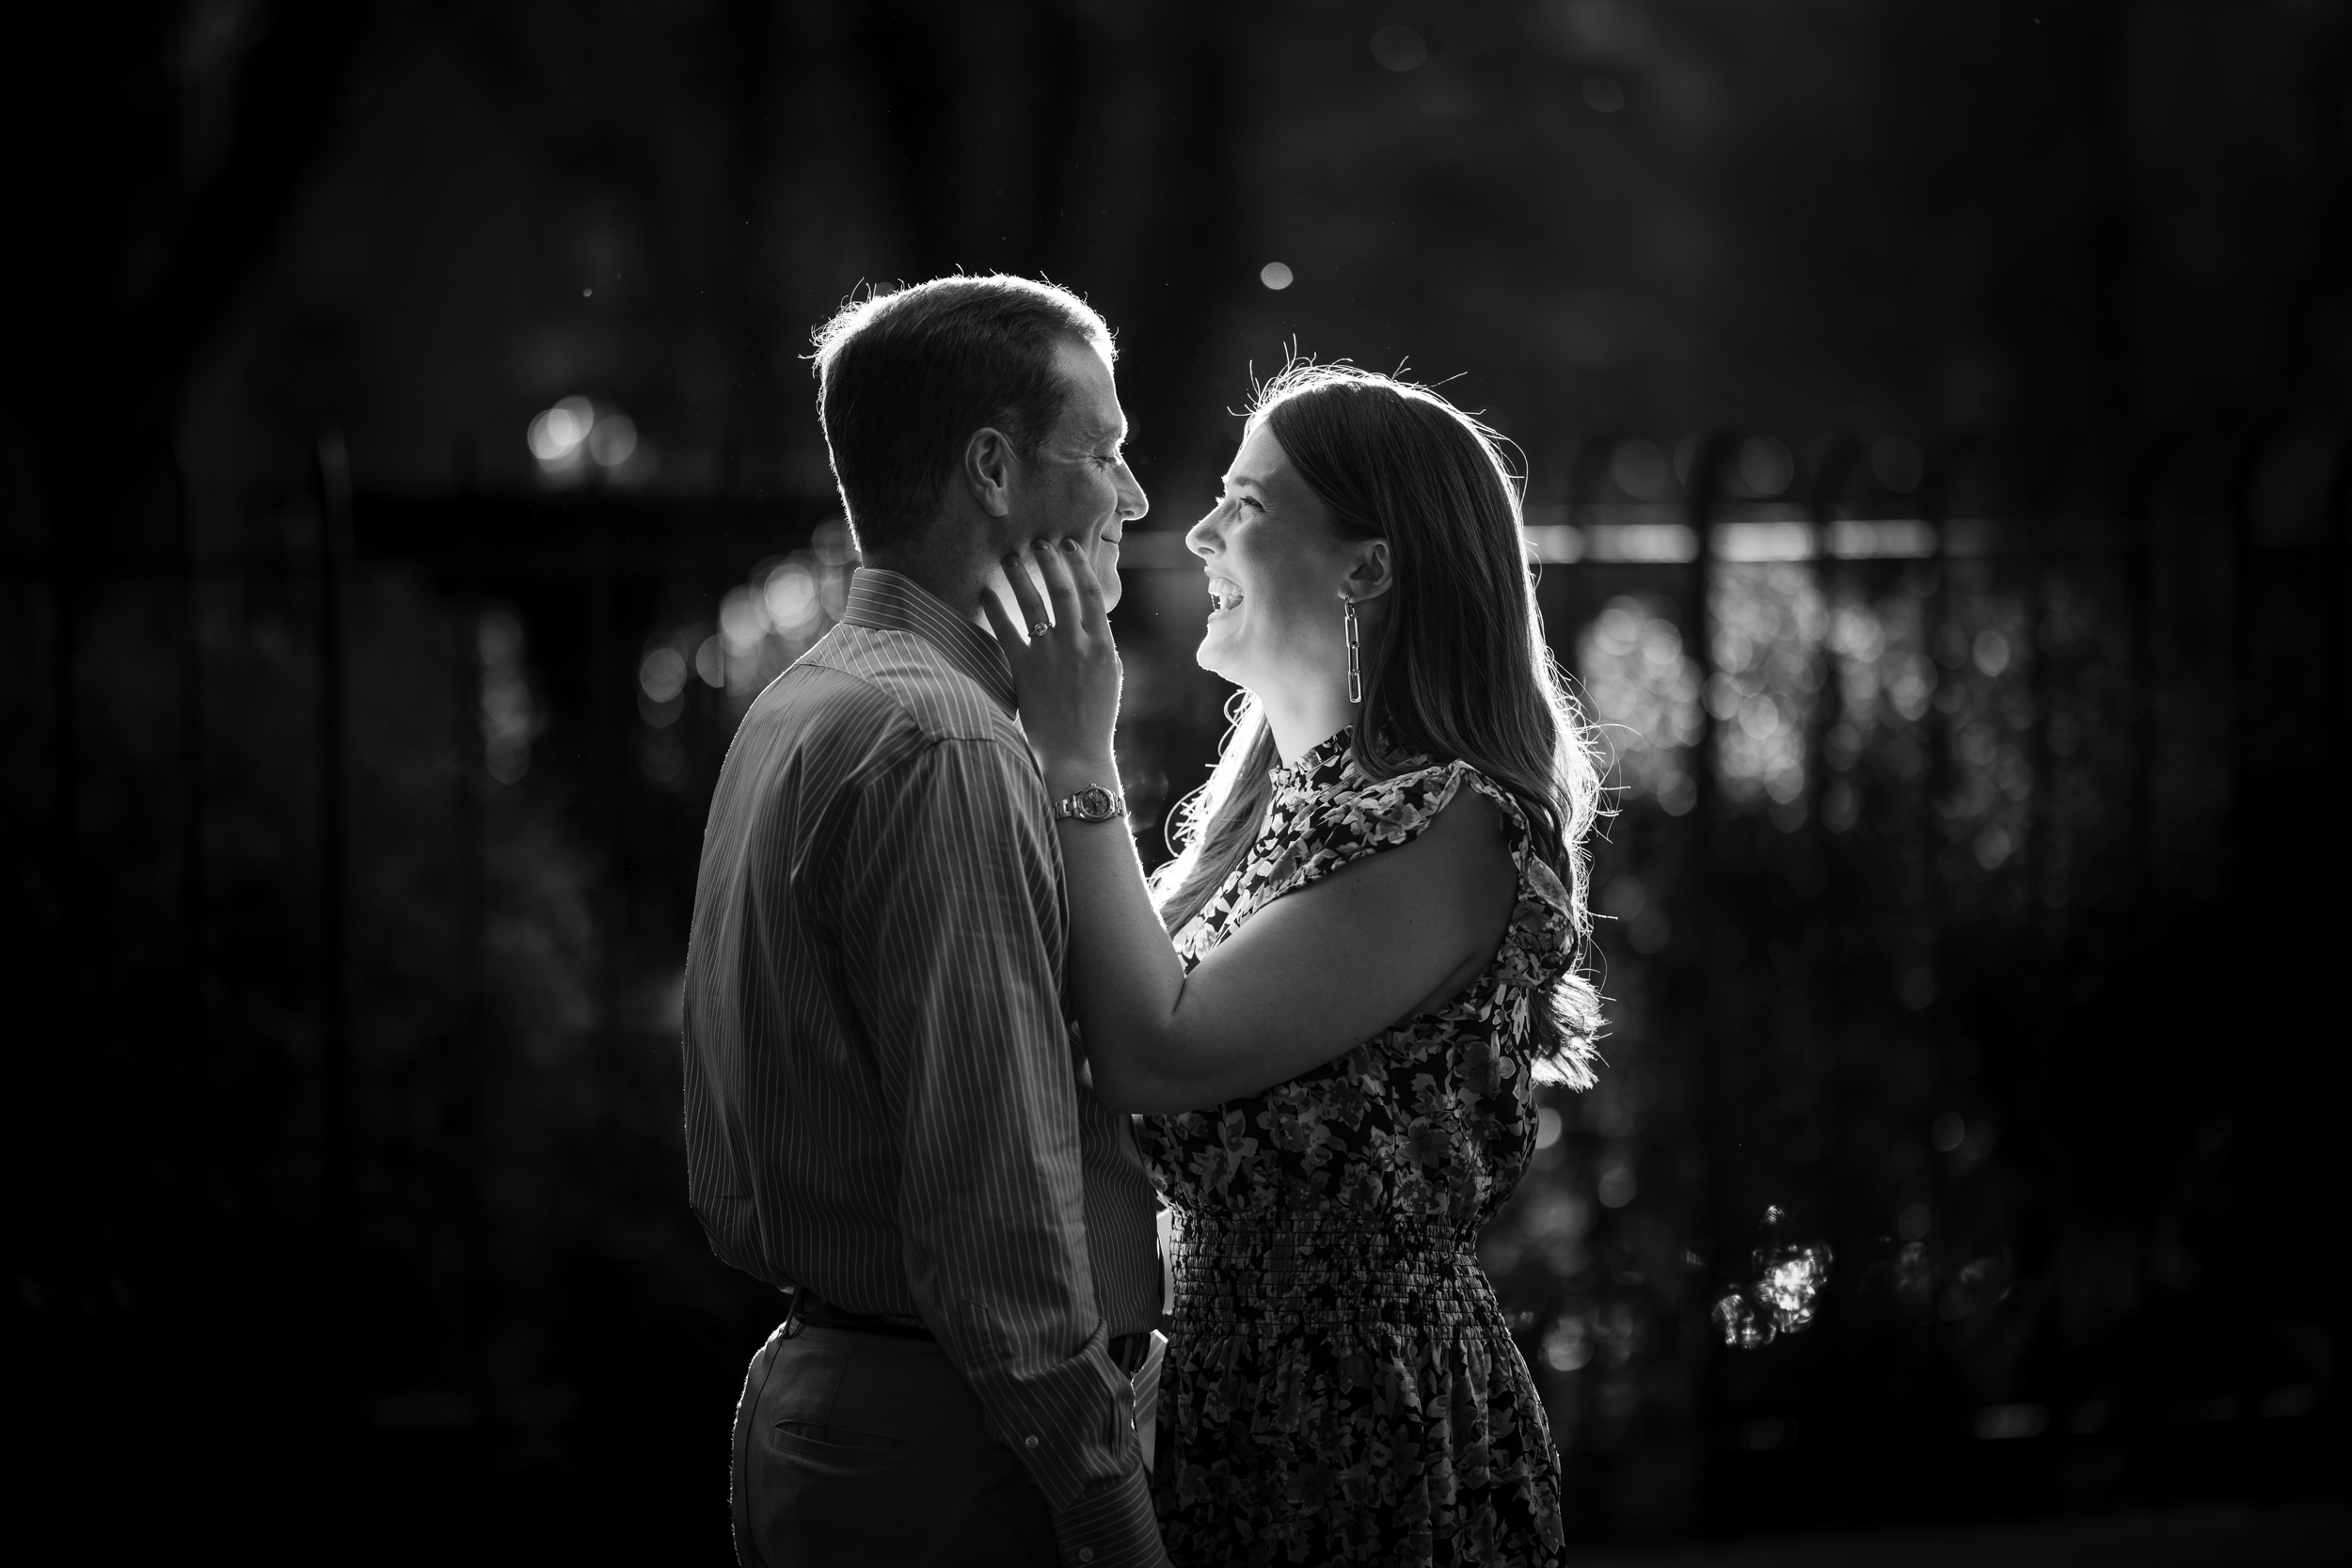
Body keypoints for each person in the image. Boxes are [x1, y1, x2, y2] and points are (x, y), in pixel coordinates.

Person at [983, 361, 1604, 1567]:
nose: (1200, 530)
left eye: (1247, 504)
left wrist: (1072, 743)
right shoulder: (1275, 815)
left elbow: (1159, 1051)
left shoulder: (1449, 821)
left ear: (1366, 566)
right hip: (1228, 1397)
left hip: (1357, 1417)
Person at [680, 275, 1172, 1568]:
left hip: (857, 1398)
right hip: (959, 1441)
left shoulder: (814, 696)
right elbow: (993, 1213)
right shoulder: (944, 740)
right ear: (994, 470)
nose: (1134, 498)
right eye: (1108, 452)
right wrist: (1111, 1505)